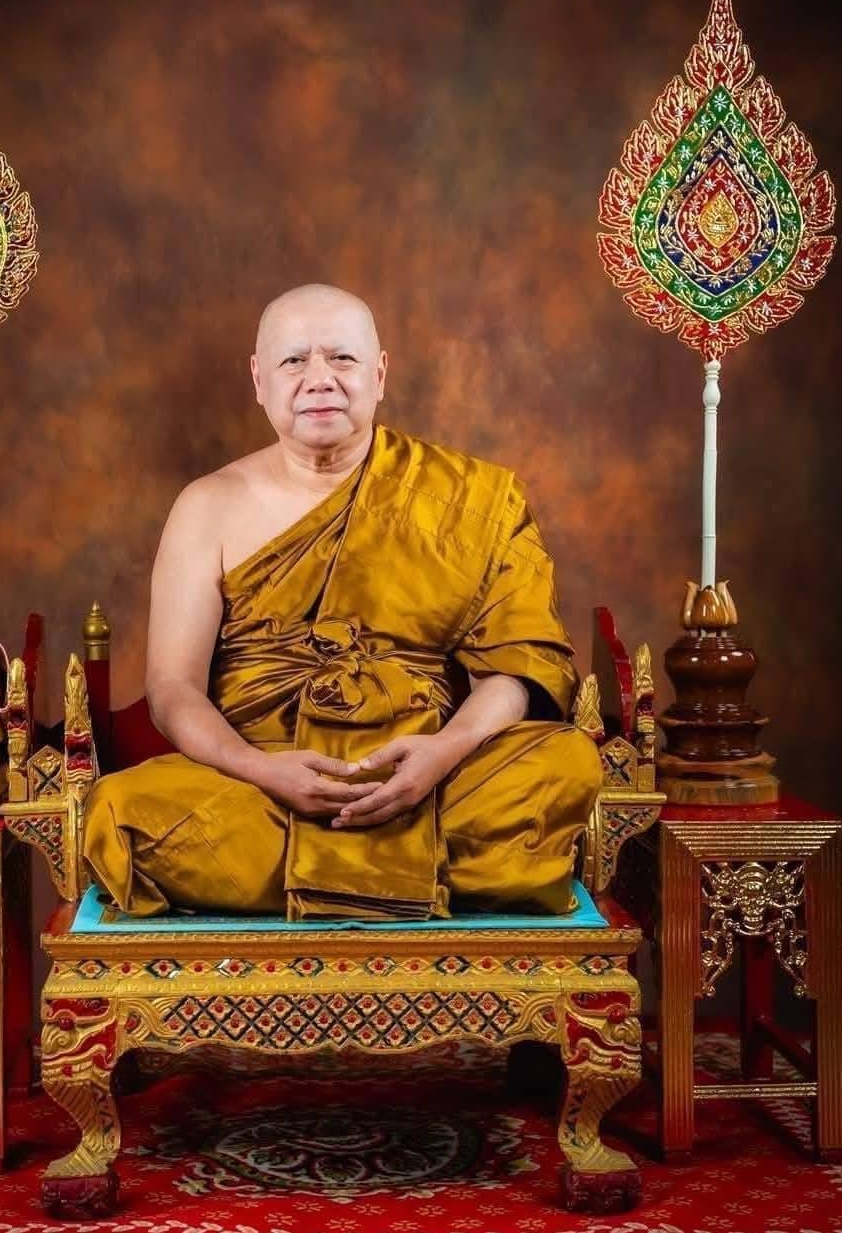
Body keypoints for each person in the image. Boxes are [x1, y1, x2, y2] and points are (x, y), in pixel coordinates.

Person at [85, 283, 601, 919]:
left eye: (342, 358)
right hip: (264, 787)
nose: (319, 379)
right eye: (294, 360)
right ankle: (428, 869)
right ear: (259, 380)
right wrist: (261, 770)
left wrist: (443, 754)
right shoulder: (207, 505)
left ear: (379, 374)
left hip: (428, 776)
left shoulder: (474, 498)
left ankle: (316, 871)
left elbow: (516, 668)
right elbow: (172, 689)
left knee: (567, 763)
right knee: (121, 812)